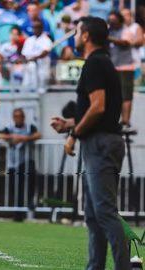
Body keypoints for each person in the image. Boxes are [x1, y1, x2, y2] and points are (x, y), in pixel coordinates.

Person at [50, 16, 131, 270]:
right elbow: (99, 112)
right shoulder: (101, 63)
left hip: (100, 144)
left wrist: (73, 135)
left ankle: (123, 267)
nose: (74, 37)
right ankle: (94, 266)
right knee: (94, 215)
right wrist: (70, 124)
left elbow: (97, 109)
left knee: (104, 213)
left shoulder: (95, 63)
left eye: (76, 32)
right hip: (102, 141)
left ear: (86, 36)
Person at [0, 109, 41, 221]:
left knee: (31, 180)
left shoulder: (29, 128)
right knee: (15, 188)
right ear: (13, 118)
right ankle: (17, 214)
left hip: (26, 161)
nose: (18, 118)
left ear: (23, 117)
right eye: (16, 116)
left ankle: (30, 202)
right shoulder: (9, 128)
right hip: (13, 164)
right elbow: (2, 136)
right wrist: (14, 137)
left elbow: (37, 135)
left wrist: (24, 139)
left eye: (20, 116)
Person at [108, 11, 136, 133]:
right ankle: (114, 120)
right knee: (114, 96)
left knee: (126, 96)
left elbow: (125, 43)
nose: (112, 24)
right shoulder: (111, 31)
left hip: (125, 67)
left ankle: (126, 121)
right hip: (113, 67)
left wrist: (109, 38)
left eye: (114, 21)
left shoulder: (126, 31)